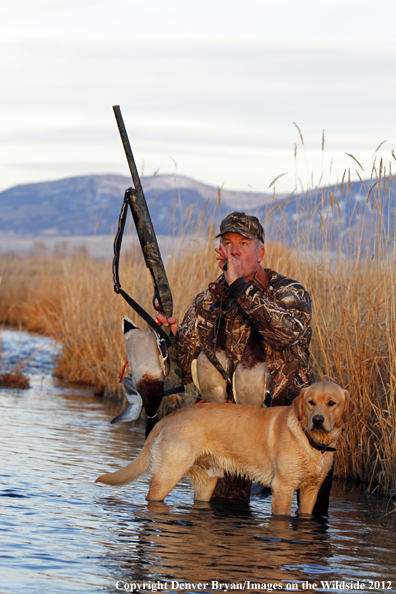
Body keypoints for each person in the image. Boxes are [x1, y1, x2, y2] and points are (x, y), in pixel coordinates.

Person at [157, 212, 330, 512]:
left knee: (312, 529)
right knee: (226, 516)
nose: (234, 250)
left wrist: (239, 287)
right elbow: (184, 368)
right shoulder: (208, 301)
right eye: (227, 243)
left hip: (294, 430)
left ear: (260, 253)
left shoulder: (290, 293)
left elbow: (284, 335)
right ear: (220, 252)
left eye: (243, 243)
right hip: (233, 432)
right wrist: (167, 335)